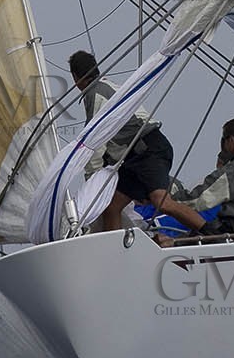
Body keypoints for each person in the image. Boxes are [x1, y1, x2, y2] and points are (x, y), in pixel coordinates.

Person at [68, 50, 207, 235]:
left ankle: (212, 231)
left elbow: (95, 139)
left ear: (76, 77)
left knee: (161, 201)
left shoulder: (95, 93)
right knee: (111, 206)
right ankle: (114, 251)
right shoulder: (110, 87)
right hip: (140, 153)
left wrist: (92, 181)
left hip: (147, 150)